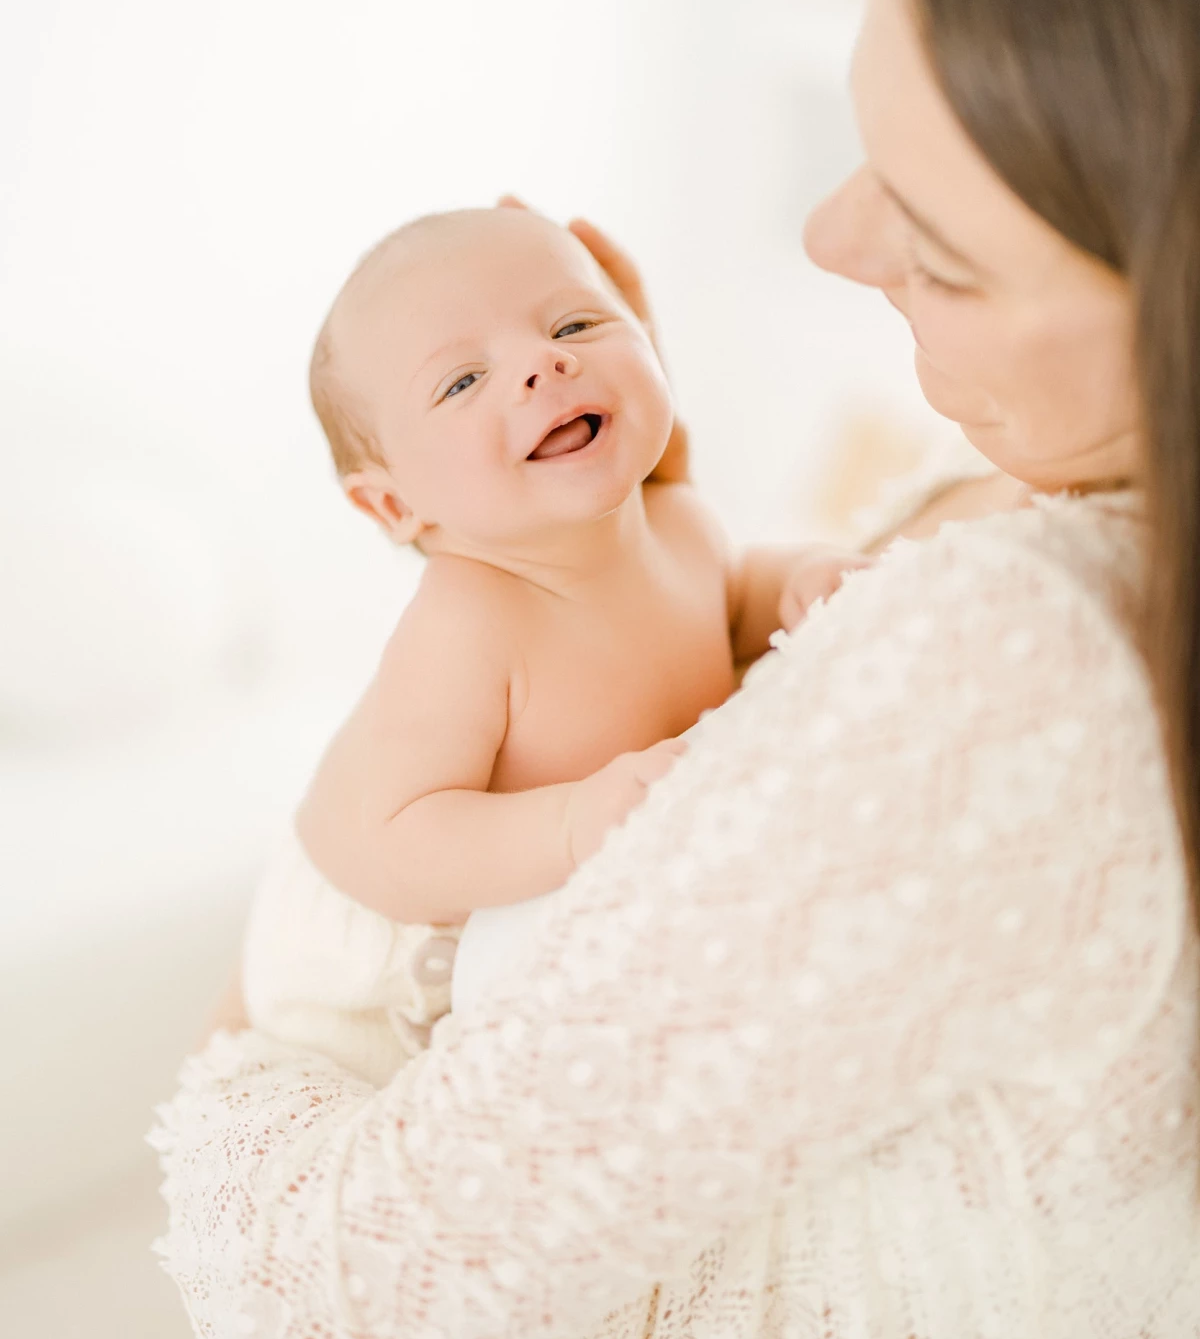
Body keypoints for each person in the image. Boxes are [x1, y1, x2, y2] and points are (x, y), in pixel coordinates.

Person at [151, 0, 1200, 1339]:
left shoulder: (1012, 655)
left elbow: (333, 1312)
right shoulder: (491, 609)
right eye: (466, 382)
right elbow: (361, 838)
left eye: (932, 238)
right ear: (391, 509)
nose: (826, 241)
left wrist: (776, 583)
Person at [242, 204, 855, 1089]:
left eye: (575, 324)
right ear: (395, 506)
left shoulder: (680, 519)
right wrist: (572, 822)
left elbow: (722, 605)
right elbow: (397, 834)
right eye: (462, 382)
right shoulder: (471, 620)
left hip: (542, 895)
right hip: (383, 950)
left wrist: (798, 581)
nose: (542, 363)